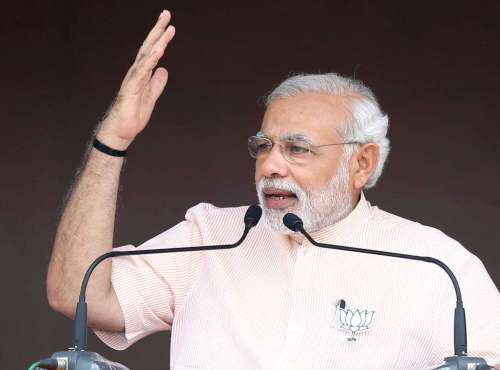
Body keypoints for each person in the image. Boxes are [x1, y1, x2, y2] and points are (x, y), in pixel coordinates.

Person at [46, 9, 500, 370]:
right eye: (263, 146)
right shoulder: (208, 238)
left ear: (361, 163)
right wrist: (113, 140)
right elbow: (76, 295)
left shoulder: (437, 265)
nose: (270, 166)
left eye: (296, 149)